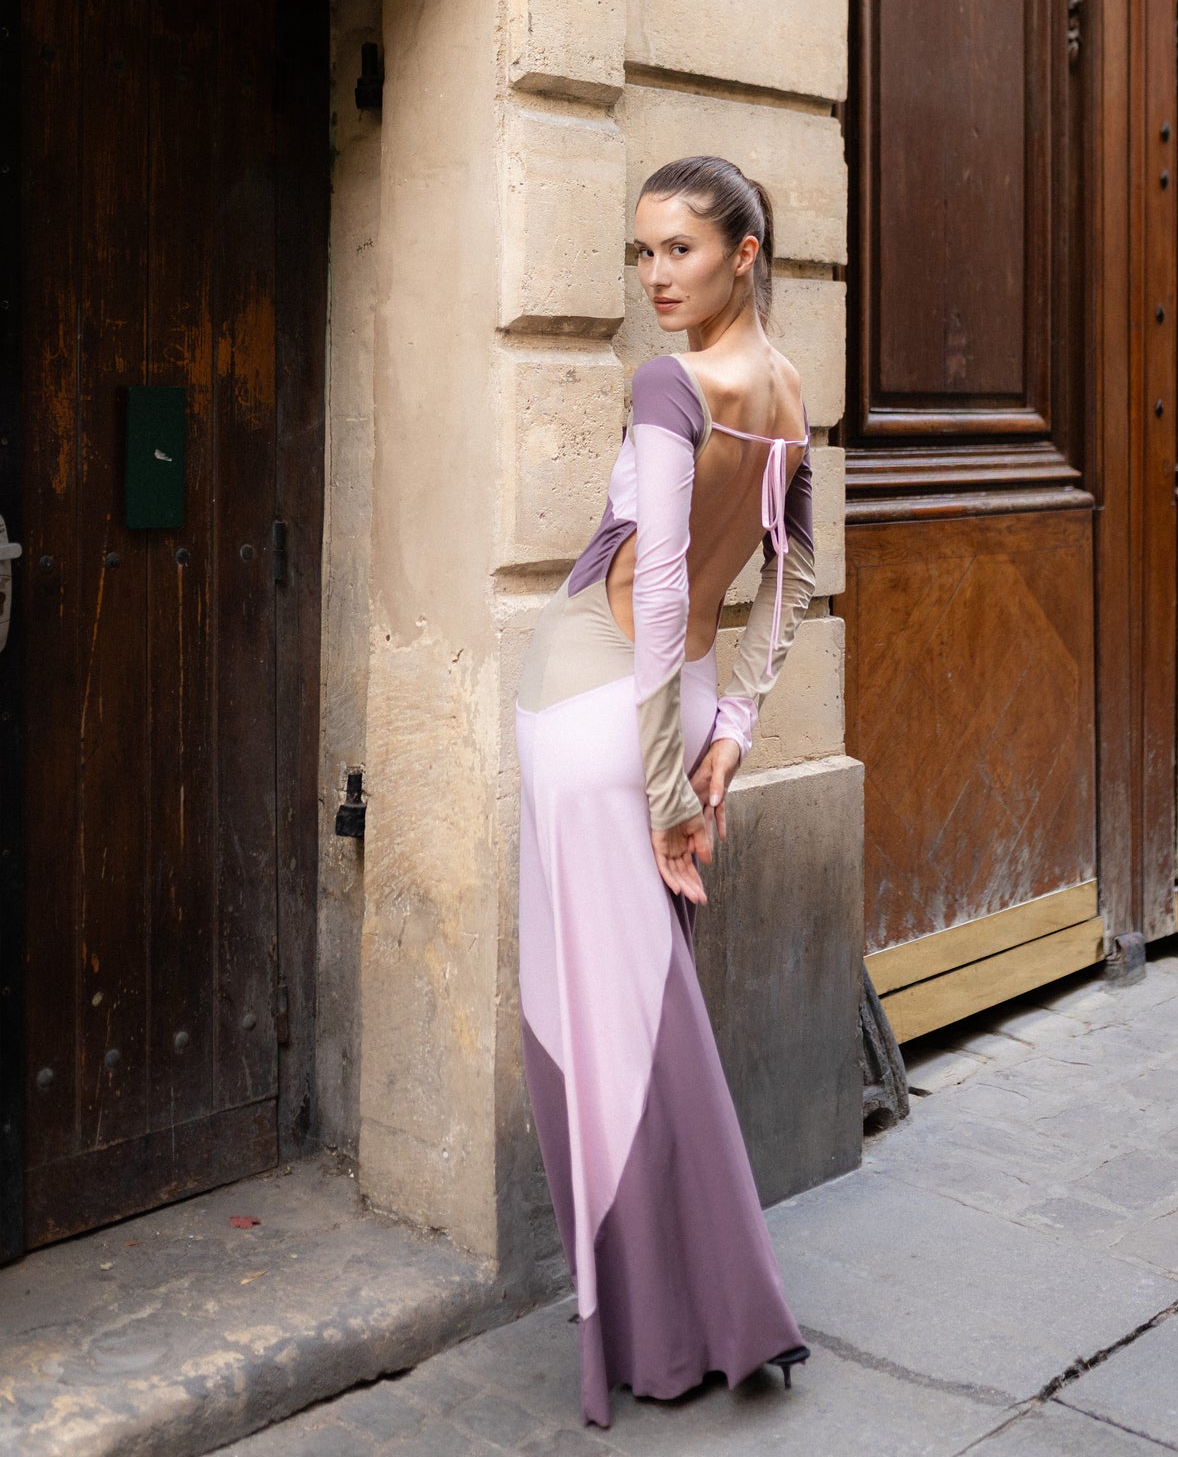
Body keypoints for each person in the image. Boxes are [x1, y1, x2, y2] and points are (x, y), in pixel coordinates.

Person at [516, 153, 816, 1428]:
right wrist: (725, 737)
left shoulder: (668, 382)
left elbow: (648, 592)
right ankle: (693, 1320)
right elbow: (792, 582)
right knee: (644, 1013)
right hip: (672, 707)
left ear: (742, 250)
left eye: (678, 250)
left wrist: (663, 787)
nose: (654, 277)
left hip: (601, 714)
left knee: (605, 1022)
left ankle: (684, 1323)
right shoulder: (791, 388)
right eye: (641, 253)